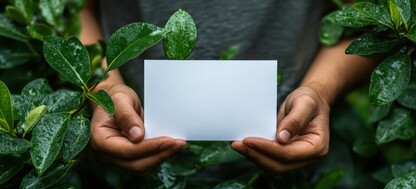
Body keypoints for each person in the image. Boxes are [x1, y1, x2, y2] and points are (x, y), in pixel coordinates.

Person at [80, 0, 378, 174]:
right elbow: (73, 9)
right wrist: (104, 91)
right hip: (124, 174)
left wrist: (320, 91)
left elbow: (372, 24)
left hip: (300, 165)